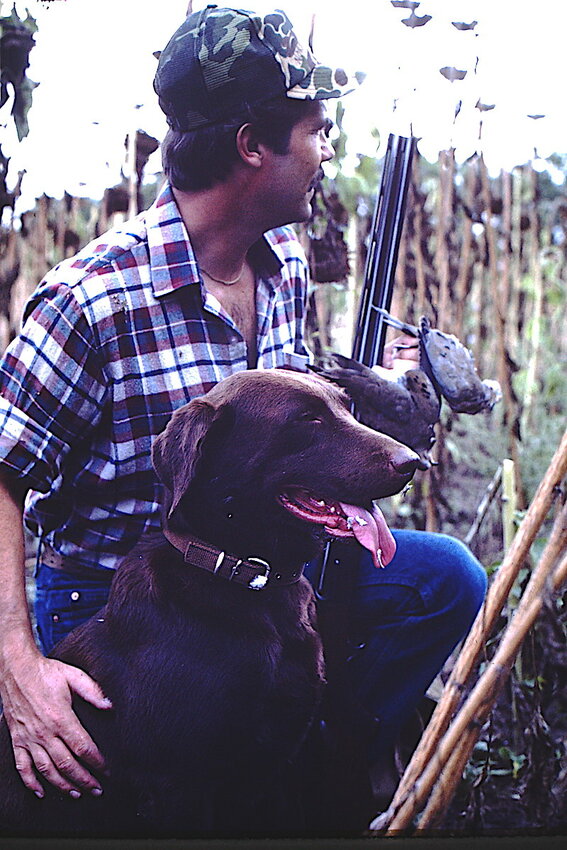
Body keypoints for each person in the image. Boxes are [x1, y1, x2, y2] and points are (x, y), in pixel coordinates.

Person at [0, 5, 486, 806]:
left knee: (445, 580)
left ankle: (332, 757)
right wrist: (19, 668)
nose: (327, 150)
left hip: (261, 577)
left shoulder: (284, 261)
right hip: (123, 609)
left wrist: (383, 389)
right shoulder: (91, 301)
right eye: (316, 130)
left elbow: (289, 416)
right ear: (251, 145)